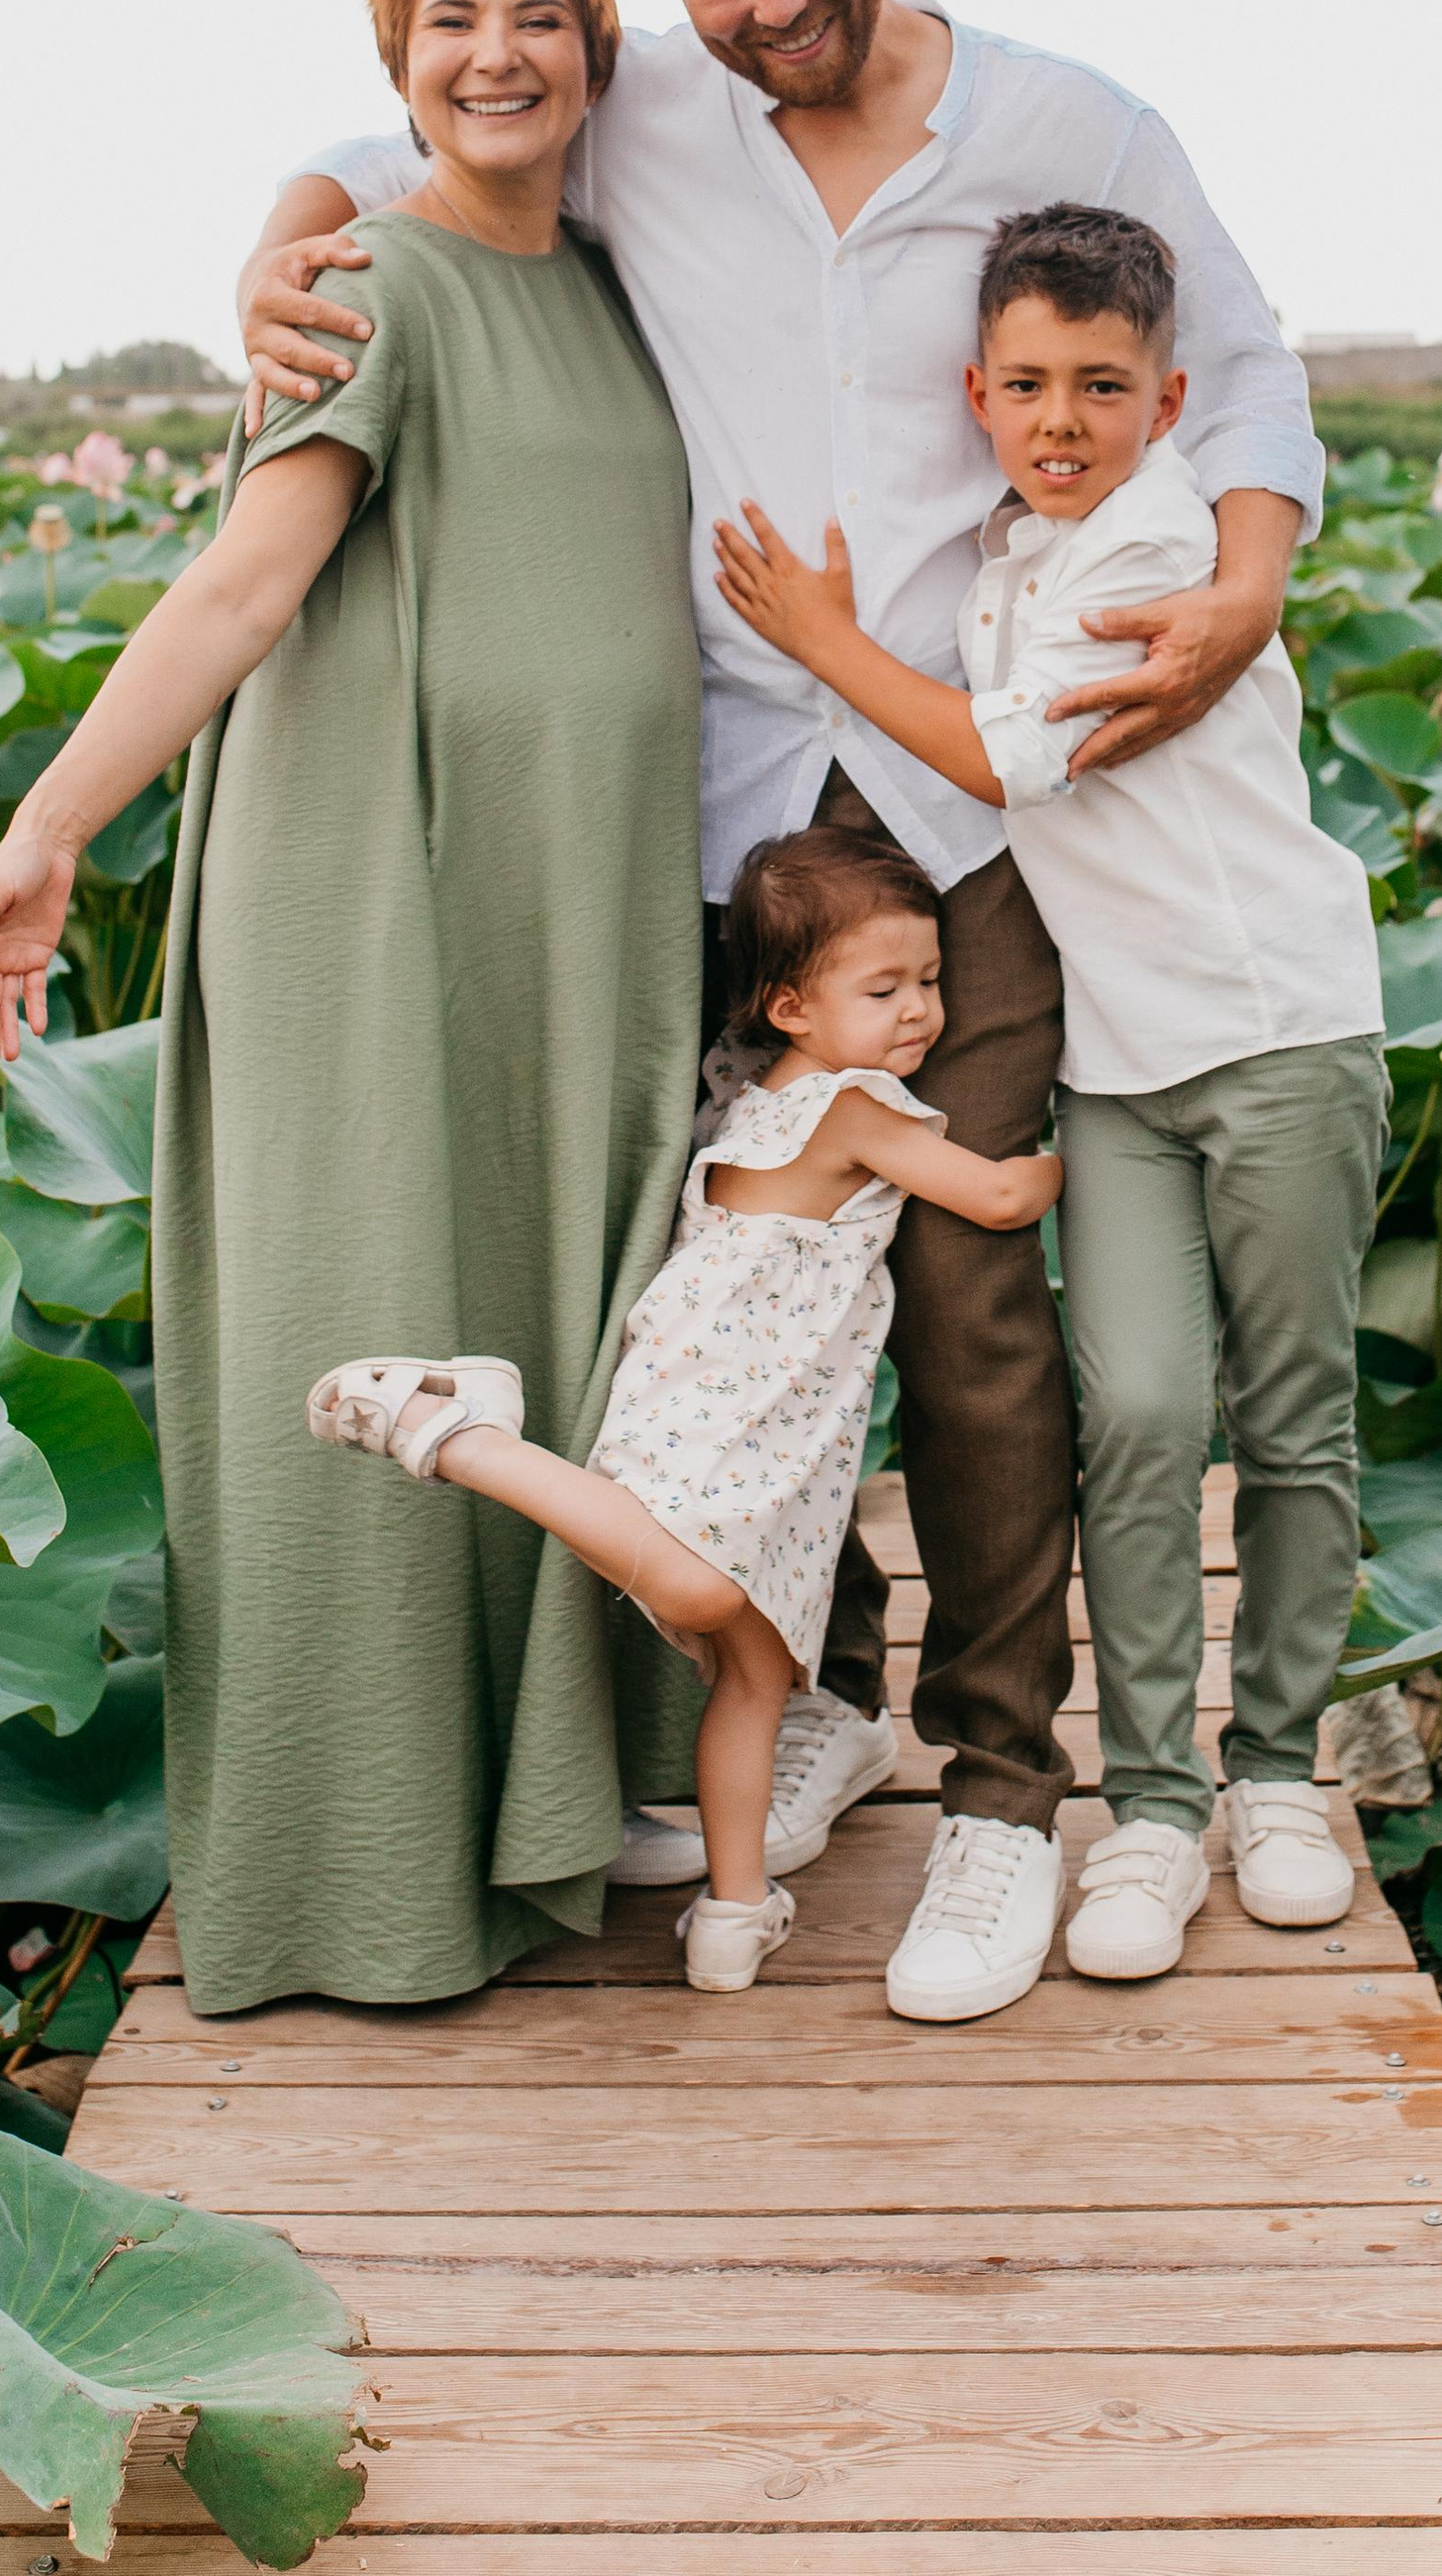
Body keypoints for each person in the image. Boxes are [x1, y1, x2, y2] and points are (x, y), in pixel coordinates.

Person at [240, 0, 1324, 2023]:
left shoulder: (1069, 124)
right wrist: (282, 225)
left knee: (970, 1313)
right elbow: (403, 147)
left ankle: (1008, 1797)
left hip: (966, 813)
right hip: (731, 811)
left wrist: (1235, 590)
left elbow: (1246, 383)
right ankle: (801, 1695)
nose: (767, 1)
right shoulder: (647, 109)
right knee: (736, 1285)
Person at [0, 0, 711, 2015]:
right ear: (396, 65)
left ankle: (563, 1801)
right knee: (380, 1286)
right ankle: (361, 1876)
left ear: (594, 50)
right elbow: (242, 588)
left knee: (559, 1305)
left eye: (535, 17)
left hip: (575, 894)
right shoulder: (360, 288)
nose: (498, 56)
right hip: (383, 872)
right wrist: (46, 828)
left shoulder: (613, 272)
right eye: (451, 23)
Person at [715, 201, 1386, 1984]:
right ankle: (1153, 1807)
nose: (1062, 418)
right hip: (1118, 1064)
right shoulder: (1019, 555)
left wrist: (819, 637)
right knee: (1147, 1418)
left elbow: (1002, 760)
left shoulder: (1150, 554)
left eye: (1102, 386)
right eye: (1026, 385)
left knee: (1297, 1421)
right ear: (978, 394)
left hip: (1278, 1031)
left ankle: (1280, 1778)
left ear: (1169, 402)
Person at [307, 823, 1061, 1994]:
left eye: (930, 981)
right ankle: (459, 1434)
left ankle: (735, 1904)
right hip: (720, 1417)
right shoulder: (853, 1108)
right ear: (791, 1007)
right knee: (701, 1592)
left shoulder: (751, 1100)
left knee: (755, 1681)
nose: (920, 1011)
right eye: (884, 988)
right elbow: (1003, 1196)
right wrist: (1071, 1156)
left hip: (774, 1446)